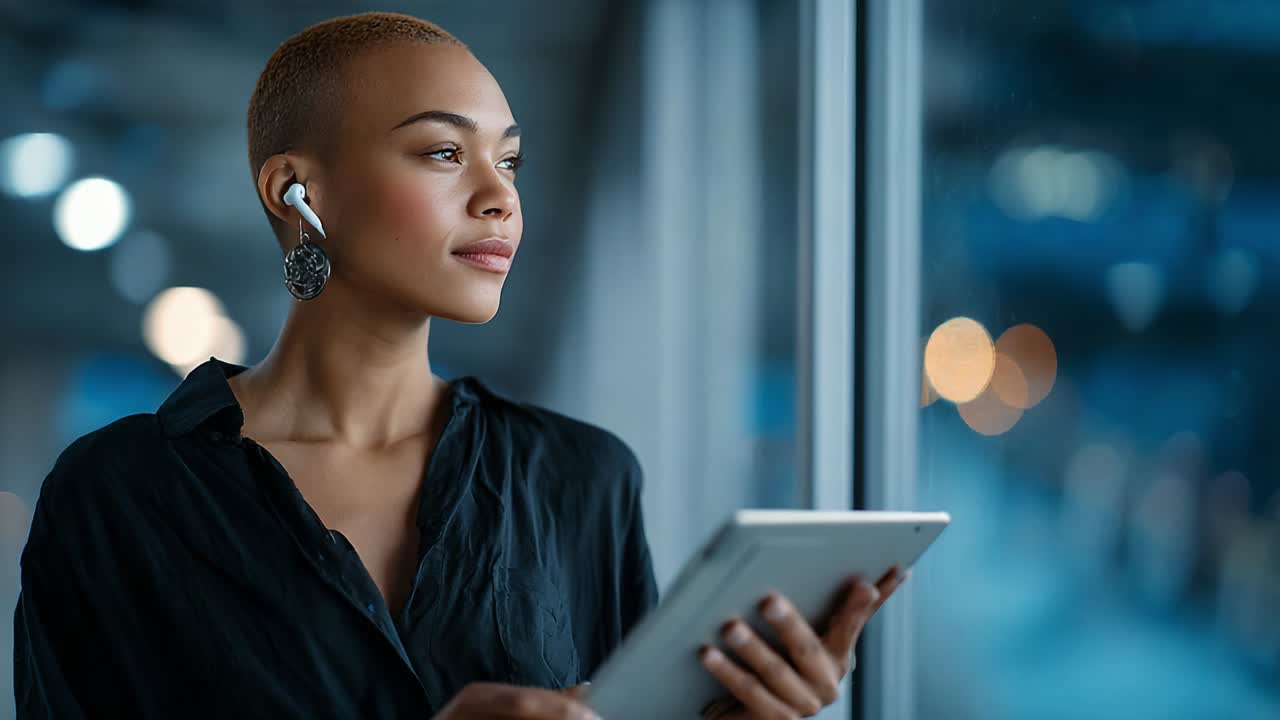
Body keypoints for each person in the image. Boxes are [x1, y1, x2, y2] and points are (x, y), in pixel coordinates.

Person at [13, 12, 905, 719]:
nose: (500, 196)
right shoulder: (117, 493)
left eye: (508, 159)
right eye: (444, 152)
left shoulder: (580, 479)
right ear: (297, 191)